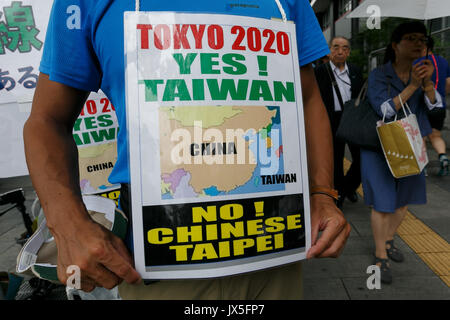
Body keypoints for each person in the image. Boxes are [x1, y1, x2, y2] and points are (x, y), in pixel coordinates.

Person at [23, 0, 350, 299]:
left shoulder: (286, 2)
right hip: (161, 262)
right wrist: (67, 225)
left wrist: (323, 193)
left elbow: (306, 98)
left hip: (274, 251)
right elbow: (46, 121)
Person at [363, 21, 443, 284]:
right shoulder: (378, 75)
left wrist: (428, 85)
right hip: (380, 146)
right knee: (383, 201)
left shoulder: (424, 73)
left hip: (412, 144)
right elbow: (384, 110)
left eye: (423, 39)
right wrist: (412, 86)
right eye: (411, 38)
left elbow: (435, 109)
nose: (419, 43)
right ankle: (380, 257)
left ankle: (388, 241)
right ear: (395, 45)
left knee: (404, 199)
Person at [314, 36, 364, 209]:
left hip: (353, 119)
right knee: (335, 160)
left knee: (362, 158)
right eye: (336, 47)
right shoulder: (321, 71)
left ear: (348, 52)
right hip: (331, 119)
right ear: (329, 50)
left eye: (344, 48)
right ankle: (339, 194)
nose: (340, 51)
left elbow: (362, 96)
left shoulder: (356, 71)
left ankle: (347, 188)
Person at [418, 37, 450, 176]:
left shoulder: (417, 62)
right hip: (439, 104)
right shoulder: (443, 61)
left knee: (421, 135)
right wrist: (441, 95)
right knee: (436, 134)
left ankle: (423, 166)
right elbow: (449, 82)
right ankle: (442, 156)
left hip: (421, 105)